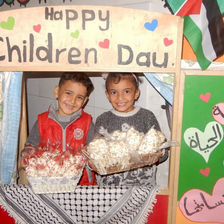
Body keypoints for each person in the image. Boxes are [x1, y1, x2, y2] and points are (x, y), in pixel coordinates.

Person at [93, 72, 168, 186]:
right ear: (107, 95)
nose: (120, 97)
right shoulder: (103, 119)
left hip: (142, 183)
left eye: (126, 91)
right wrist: (93, 163)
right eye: (114, 92)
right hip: (111, 186)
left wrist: (156, 156)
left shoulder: (146, 116)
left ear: (136, 93)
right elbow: (94, 151)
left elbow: (163, 151)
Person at [23, 72, 96, 185]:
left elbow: (95, 149)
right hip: (49, 181)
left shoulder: (87, 122)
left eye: (79, 97)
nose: (72, 101)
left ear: (85, 101)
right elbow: (31, 145)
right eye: (68, 93)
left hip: (81, 183)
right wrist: (27, 155)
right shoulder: (42, 121)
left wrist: (94, 159)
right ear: (57, 91)